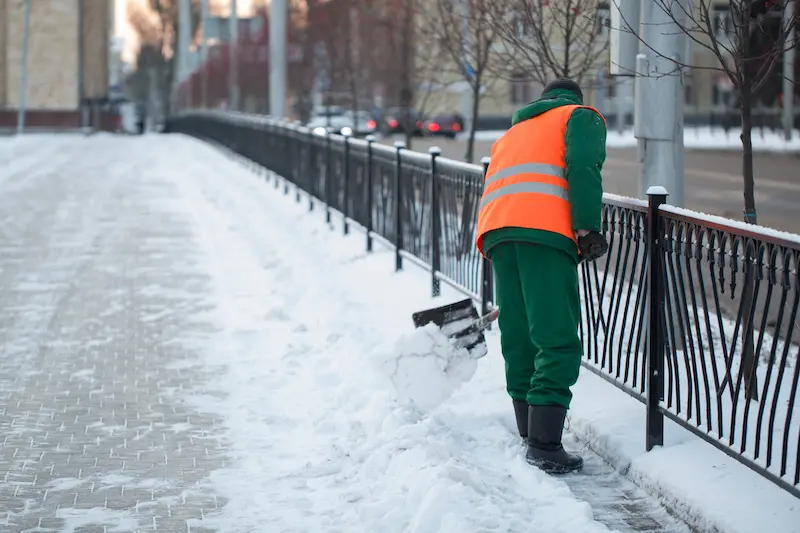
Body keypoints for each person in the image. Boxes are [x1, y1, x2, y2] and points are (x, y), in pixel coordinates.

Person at [475, 78, 609, 474]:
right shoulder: (580, 117)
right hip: (544, 233)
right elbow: (584, 167)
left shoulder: (514, 131)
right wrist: (587, 227)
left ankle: (527, 428)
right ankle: (545, 444)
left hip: (498, 231)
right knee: (556, 335)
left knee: (518, 333)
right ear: (573, 99)